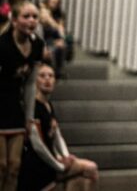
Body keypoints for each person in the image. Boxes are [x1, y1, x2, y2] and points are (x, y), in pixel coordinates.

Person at [18, 62, 99, 191]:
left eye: (51, 76)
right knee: (90, 168)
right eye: (42, 76)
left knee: (82, 175)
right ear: (35, 80)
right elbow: (38, 146)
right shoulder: (33, 107)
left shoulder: (48, 104)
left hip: (52, 161)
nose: (47, 79)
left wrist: (66, 156)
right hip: (38, 165)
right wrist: (58, 165)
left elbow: (57, 135)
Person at [0, 0, 44, 191]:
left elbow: (31, 84)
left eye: (35, 17)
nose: (32, 21)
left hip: (15, 107)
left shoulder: (37, 45)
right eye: (26, 16)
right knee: (1, 166)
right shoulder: (2, 44)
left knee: (14, 167)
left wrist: (29, 117)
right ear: (15, 20)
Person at [39, 0, 67, 78]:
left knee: (61, 44)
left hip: (54, 39)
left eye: (57, 2)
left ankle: (57, 72)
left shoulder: (60, 14)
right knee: (52, 48)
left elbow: (61, 33)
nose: (55, 4)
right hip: (41, 39)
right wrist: (45, 14)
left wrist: (49, 18)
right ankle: (52, 73)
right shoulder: (40, 10)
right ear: (47, 0)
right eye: (53, 1)